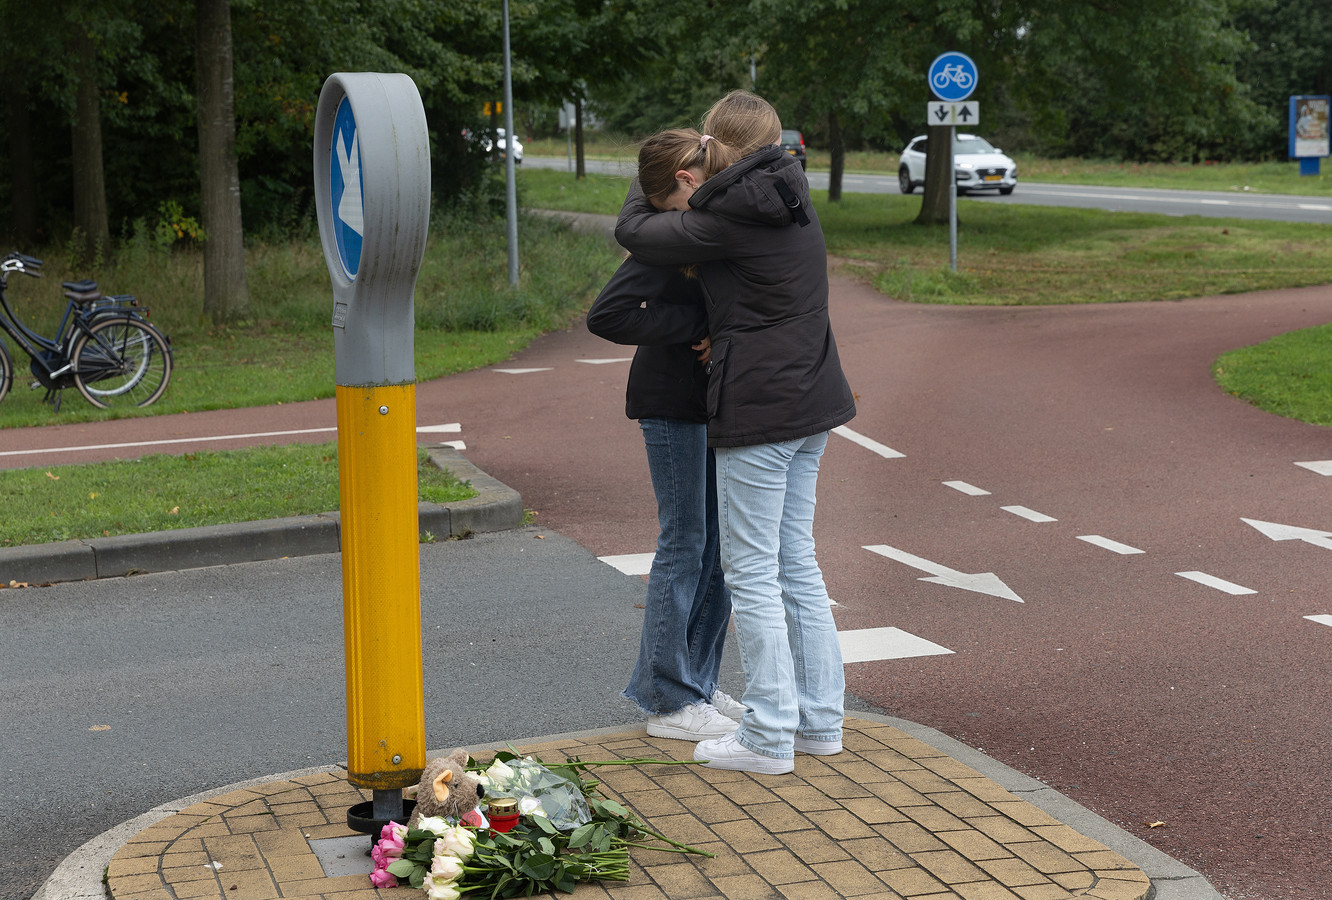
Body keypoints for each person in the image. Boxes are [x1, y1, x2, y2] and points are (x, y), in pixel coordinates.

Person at [614, 93, 856, 775]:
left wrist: (652, 169)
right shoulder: (791, 195)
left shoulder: (726, 219)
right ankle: (818, 721)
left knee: (750, 573)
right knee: (797, 565)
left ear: (712, 146)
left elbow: (639, 232)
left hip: (760, 410)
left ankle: (770, 735)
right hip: (815, 400)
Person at [586, 137, 747, 740]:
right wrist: (695, 327)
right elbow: (608, 316)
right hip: (670, 404)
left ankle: (697, 683)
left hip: (708, 402)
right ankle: (670, 698)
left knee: (719, 550)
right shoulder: (666, 235)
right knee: (686, 542)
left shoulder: (704, 223)